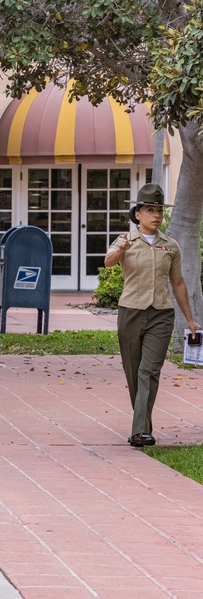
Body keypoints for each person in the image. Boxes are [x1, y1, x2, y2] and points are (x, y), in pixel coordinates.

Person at [104, 183, 201, 447]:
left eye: (159, 210)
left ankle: (140, 431)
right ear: (138, 214)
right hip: (131, 313)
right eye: (150, 210)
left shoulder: (170, 245)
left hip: (161, 314)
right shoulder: (125, 241)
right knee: (134, 372)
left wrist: (190, 319)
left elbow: (178, 283)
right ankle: (142, 426)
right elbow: (108, 261)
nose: (156, 215)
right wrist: (121, 250)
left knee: (149, 370)